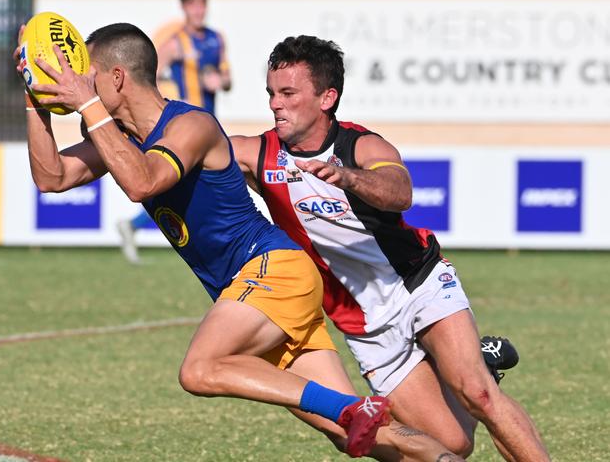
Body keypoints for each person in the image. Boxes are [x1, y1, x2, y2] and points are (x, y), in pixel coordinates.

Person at [15, 22, 465, 461]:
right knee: (356, 438)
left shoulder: (191, 125)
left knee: (199, 369)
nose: (74, 82)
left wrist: (88, 105)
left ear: (116, 79)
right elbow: (51, 177)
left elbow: (143, 182)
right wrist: (34, 98)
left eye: (85, 75)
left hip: (273, 271)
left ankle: (353, 408)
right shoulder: (121, 137)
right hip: (255, 293)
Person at [231, 35, 551, 461]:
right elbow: (196, 145)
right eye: (271, 93)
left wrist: (349, 179)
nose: (275, 104)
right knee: (453, 442)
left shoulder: (362, 145)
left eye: (288, 93)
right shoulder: (259, 154)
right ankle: (480, 363)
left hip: (418, 282)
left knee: (479, 394)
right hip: (365, 323)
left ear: (327, 97)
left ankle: (477, 373)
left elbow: (400, 192)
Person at [116, 0, 232, 264]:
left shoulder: (216, 39)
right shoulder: (175, 43)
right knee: (188, 185)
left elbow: (228, 78)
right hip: (184, 124)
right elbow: (147, 79)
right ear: (184, 7)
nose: (198, 10)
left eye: (202, 4)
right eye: (193, 4)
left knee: (192, 186)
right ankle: (137, 226)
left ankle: (133, 225)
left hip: (209, 123)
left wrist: (222, 81)